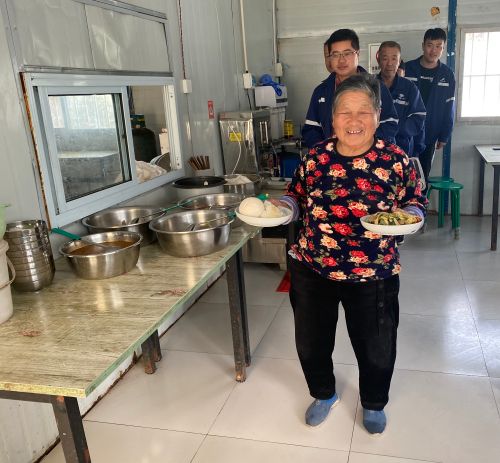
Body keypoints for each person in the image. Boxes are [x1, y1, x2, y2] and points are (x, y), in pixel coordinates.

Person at [277, 73, 427, 434]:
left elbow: (415, 200)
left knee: (376, 344)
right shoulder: (315, 158)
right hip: (313, 265)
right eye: (346, 111)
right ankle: (324, 394)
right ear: (333, 119)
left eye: (364, 111)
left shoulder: (395, 160)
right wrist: (283, 208)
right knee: (311, 341)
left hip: (373, 269)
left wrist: (412, 214)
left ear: (377, 116)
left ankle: (373, 402)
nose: (354, 120)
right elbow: (295, 195)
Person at [302, 29, 399, 148]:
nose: (341, 60)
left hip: (370, 155)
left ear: (357, 54)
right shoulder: (321, 91)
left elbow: (390, 124)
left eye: (347, 53)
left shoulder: (376, 87)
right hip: (333, 156)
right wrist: (327, 150)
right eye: (335, 55)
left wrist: (364, 148)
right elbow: (311, 129)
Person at [405, 28, 456, 184]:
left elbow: (449, 107)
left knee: (422, 175)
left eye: (438, 46)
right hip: (406, 133)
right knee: (403, 173)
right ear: (423, 45)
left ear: (443, 48)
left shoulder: (447, 74)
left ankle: (420, 200)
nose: (433, 50)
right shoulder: (407, 69)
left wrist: (444, 135)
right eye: (430, 45)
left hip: (431, 133)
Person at [376, 41, 426, 157]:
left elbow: (418, 117)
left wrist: (392, 129)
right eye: (385, 58)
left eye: (394, 59)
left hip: (404, 150)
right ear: (378, 59)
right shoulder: (370, 86)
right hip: (375, 150)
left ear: (399, 61)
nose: (390, 63)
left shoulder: (409, 88)